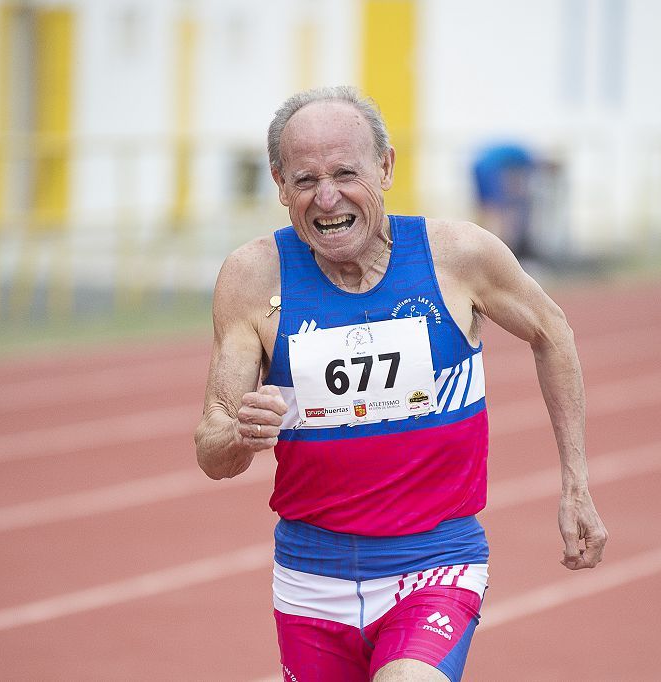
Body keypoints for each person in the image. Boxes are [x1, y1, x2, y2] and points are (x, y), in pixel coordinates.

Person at [194, 86, 607, 682]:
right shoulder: (253, 277)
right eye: (306, 180)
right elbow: (212, 452)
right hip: (310, 579)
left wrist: (575, 484)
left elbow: (553, 333)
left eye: (345, 173)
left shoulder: (458, 256)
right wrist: (240, 433)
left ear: (386, 168)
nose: (327, 197)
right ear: (280, 186)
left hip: (434, 563)